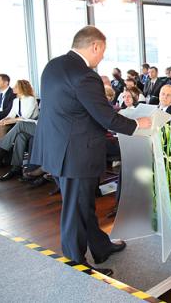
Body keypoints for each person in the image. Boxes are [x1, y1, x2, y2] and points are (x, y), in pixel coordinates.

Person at [29, 26, 152, 276]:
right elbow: (105, 117)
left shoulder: (53, 66)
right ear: (94, 46)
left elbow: (71, 108)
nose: (102, 57)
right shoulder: (85, 75)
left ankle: (100, 246)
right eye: (103, 52)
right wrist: (138, 124)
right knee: (75, 210)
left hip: (57, 148)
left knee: (83, 204)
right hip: (76, 153)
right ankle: (76, 266)